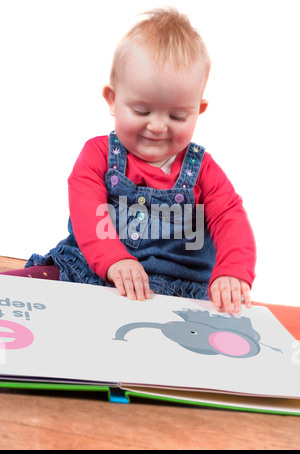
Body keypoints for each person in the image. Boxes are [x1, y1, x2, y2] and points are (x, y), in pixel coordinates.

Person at [2, 8, 256, 313]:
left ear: (198, 110)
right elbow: (88, 211)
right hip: (90, 270)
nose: (158, 126)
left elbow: (231, 218)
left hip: (175, 290)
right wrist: (114, 259)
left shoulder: (203, 170)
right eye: (142, 111)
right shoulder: (98, 155)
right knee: (15, 290)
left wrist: (232, 271)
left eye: (177, 116)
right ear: (112, 99)